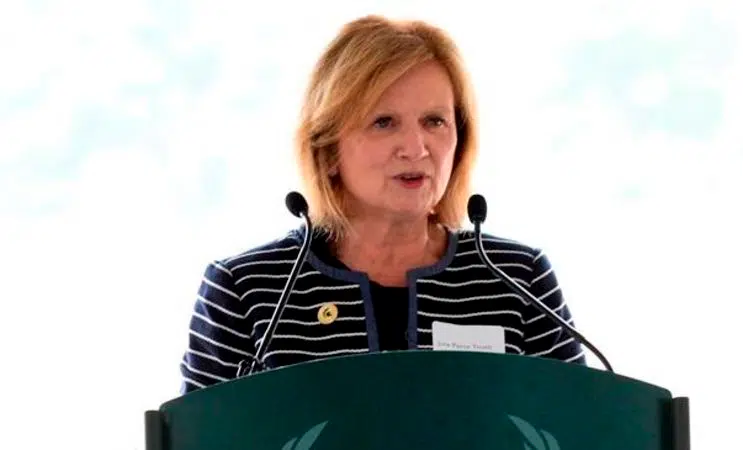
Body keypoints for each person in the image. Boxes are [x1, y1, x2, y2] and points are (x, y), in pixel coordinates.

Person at [179, 15, 586, 394]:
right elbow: (200, 433)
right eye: (384, 122)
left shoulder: (518, 279)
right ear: (328, 147)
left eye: (434, 121)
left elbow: (579, 426)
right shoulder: (245, 288)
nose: (415, 148)